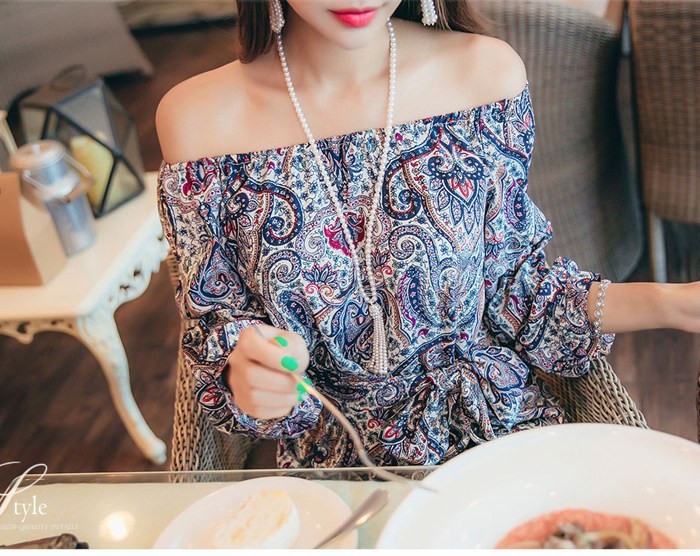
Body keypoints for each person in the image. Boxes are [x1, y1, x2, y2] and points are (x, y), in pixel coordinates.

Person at [156, 0, 700, 468]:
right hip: (341, 477)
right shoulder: (198, 122)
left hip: (502, 437)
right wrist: (252, 379)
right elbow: (219, 335)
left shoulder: (483, 77)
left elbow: (517, 293)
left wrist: (674, 303)